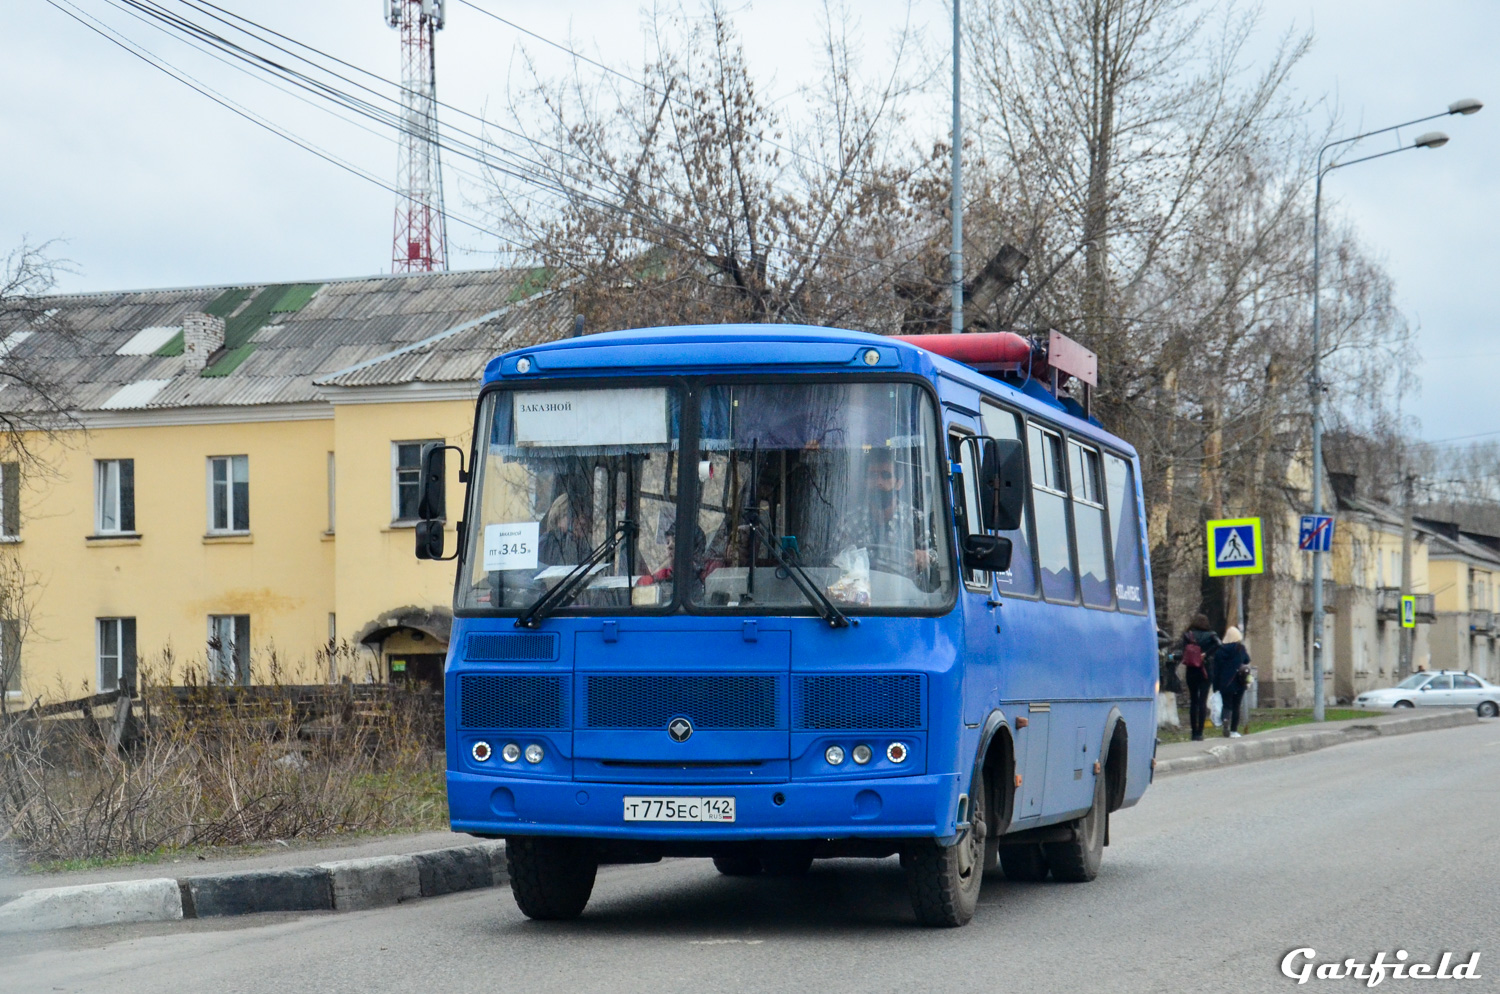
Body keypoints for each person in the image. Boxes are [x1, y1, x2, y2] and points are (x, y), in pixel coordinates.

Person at [833, 449, 940, 590]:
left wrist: (925, 556)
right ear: (865, 481)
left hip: (907, 602)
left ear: (899, 483)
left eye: (886, 476)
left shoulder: (916, 521)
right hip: (860, 602)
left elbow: (940, 561)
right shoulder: (849, 523)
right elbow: (833, 563)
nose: (878, 482)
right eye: (872, 475)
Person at [1182, 614, 1220, 741]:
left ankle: (1193, 732)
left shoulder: (1188, 635)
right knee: (1202, 700)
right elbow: (1219, 644)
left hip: (1191, 670)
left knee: (1194, 701)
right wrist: (1206, 654)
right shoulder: (1211, 635)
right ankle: (1200, 733)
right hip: (1205, 670)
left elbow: (1183, 651)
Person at [1213, 626, 1252, 738]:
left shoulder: (1220, 650)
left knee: (1227, 705)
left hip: (1225, 683)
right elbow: (1247, 660)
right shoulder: (1240, 648)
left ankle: (1225, 719)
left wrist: (1216, 686)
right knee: (1236, 706)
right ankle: (1233, 730)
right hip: (1239, 681)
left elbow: (1216, 670)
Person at [538, 493, 591, 566]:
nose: (582, 521)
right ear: (558, 518)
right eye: (575, 515)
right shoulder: (546, 545)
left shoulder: (585, 548)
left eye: (585, 516)